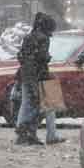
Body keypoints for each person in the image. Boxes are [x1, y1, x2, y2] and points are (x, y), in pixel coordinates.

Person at [14, 13, 56, 145]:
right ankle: (29, 131)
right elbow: (42, 57)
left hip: (26, 75)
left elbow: (21, 55)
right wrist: (48, 57)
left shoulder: (28, 37)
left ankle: (24, 133)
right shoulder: (43, 38)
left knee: (27, 104)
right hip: (38, 75)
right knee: (39, 106)